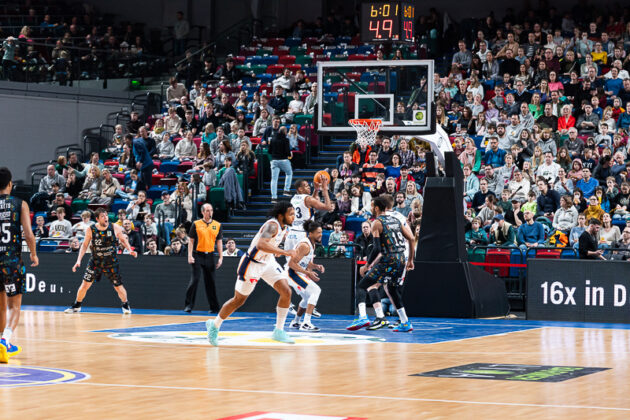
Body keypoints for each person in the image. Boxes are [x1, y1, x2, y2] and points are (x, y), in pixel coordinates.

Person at [206, 202, 298, 346]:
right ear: (281, 215)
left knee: (286, 291)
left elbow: (269, 245)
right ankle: (215, 325)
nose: (294, 217)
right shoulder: (272, 225)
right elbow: (260, 245)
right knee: (238, 300)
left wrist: (274, 250)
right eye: (291, 214)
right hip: (252, 264)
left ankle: (278, 331)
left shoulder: (284, 228)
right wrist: (284, 252)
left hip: (267, 262)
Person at [346, 196, 415, 332]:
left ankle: (363, 316)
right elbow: (412, 238)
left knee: (362, 285)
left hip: (388, 259)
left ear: (377, 208)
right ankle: (405, 322)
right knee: (392, 289)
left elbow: (377, 249)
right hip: (401, 259)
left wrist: (367, 266)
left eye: (372, 206)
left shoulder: (377, 222)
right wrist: (411, 259)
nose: (371, 208)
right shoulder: (395, 220)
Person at [64, 208, 137, 314]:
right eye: (102, 216)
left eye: (106, 215)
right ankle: (77, 306)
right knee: (84, 285)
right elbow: (84, 245)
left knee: (118, 286)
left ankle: (125, 305)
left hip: (110, 262)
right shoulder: (91, 229)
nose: (105, 217)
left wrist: (130, 249)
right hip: (95, 261)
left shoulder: (114, 227)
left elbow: (123, 239)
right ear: (97, 219)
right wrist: (78, 260)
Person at [0, 168, 38, 363]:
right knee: (14, 305)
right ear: (10, 184)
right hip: (12, 259)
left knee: (1, 305)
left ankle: (1, 344)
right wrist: (33, 253)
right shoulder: (19, 203)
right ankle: (5, 340)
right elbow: (28, 234)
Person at [286, 220, 325, 331]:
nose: (321, 235)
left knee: (307, 297)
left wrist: (316, 266)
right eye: (318, 232)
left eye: (321, 232)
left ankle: (296, 322)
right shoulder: (305, 245)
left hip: (298, 272)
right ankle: (306, 323)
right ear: (311, 233)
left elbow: (304, 261)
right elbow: (292, 263)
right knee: (316, 290)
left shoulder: (311, 243)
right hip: (292, 273)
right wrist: (308, 273)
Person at [185, 204, 224, 313]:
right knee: (195, 280)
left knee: (210, 281)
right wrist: (189, 255)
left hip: (210, 255)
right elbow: (191, 240)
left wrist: (221, 257)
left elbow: (219, 242)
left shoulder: (217, 225)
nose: (210, 212)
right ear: (202, 212)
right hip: (197, 255)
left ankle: (214, 307)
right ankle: (188, 305)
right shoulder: (196, 224)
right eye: (207, 211)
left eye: (211, 210)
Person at [285, 178, 333, 251]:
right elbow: (328, 207)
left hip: (291, 234)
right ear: (300, 189)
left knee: (290, 260)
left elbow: (310, 203)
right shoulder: (308, 199)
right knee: (304, 261)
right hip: (303, 233)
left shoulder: (293, 199)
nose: (309, 187)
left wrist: (316, 190)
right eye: (306, 186)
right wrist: (325, 189)